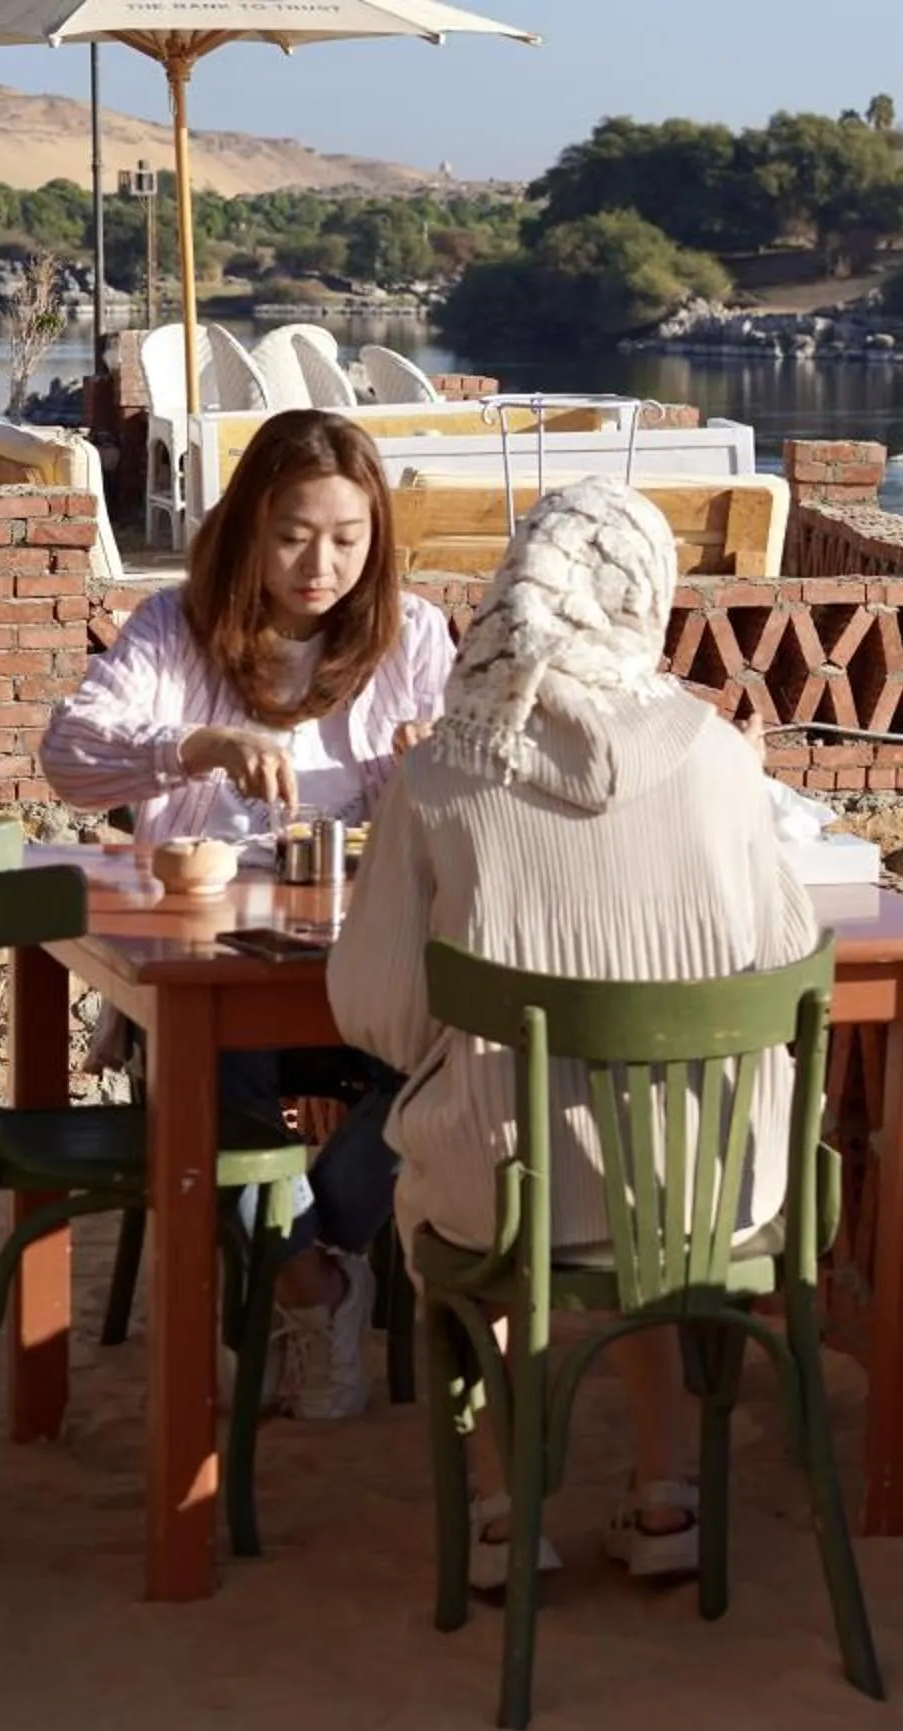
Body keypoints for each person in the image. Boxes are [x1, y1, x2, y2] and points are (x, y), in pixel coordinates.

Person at [327, 476, 816, 1588]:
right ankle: (664, 1500)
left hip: (511, 1197)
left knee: (509, 1172)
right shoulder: (718, 753)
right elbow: (782, 963)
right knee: (637, 1165)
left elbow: (384, 1014)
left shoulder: (445, 768)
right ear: (645, 597)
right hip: (714, 1194)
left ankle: (505, 1513)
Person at [40, 408, 456, 1421]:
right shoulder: (172, 629)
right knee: (216, 1075)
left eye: (348, 539)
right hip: (221, 954)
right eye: (293, 534)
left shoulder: (413, 637)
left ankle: (307, 1259)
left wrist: (435, 765)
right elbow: (69, 754)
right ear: (246, 529)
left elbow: (475, 788)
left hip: (368, 954)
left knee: (448, 1055)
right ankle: (316, 1283)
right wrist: (199, 747)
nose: (322, 564)